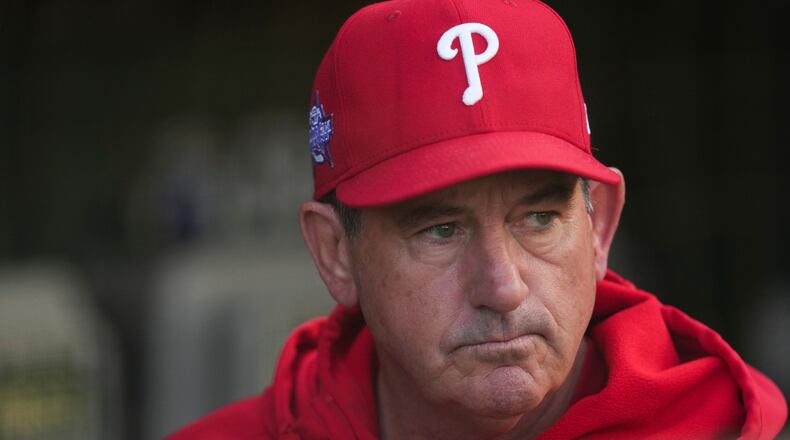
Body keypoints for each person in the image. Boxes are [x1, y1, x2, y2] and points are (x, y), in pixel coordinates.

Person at [170, 0, 787, 438]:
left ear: (600, 230)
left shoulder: (725, 429)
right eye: (441, 230)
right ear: (335, 253)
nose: (503, 287)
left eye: (540, 218)